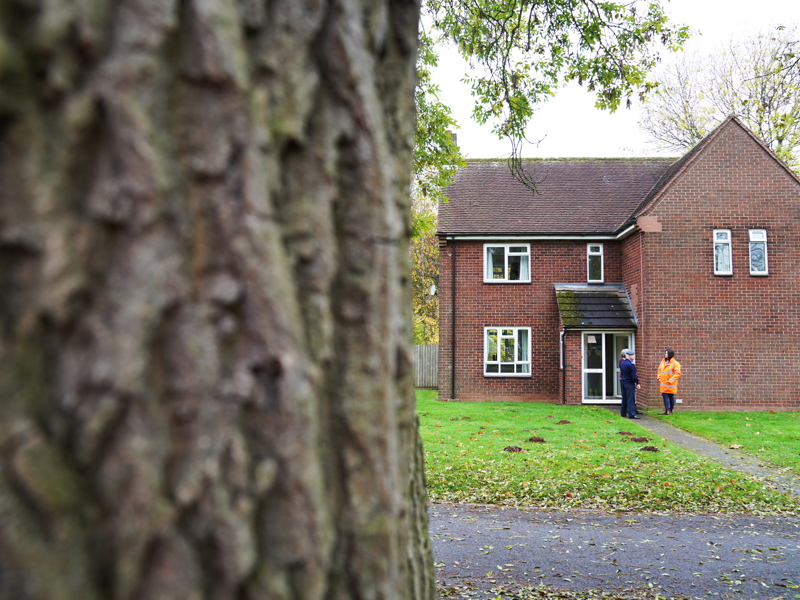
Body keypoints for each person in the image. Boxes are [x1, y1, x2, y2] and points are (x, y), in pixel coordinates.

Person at [657, 349, 682, 415]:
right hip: (663, 383)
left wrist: (670, 380)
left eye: (666, 353)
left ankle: (670, 410)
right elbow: (659, 370)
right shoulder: (663, 362)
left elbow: (677, 373)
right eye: (665, 353)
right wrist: (659, 378)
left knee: (671, 396)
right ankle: (666, 409)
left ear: (670, 354)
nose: (665, 354)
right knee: (665, 396)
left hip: (670, 384)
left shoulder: (675, 363)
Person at [619, 349, 642, 419]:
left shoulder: (622, 363)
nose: (634, 356)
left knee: (624, 398)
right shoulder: (631, 364)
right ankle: (632, 414)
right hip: (629, 383)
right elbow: (634, 376)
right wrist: (637, 383)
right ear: (629, 356)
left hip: (623, 382)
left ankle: (623, 412)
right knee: (631, 399)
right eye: (633, 355)